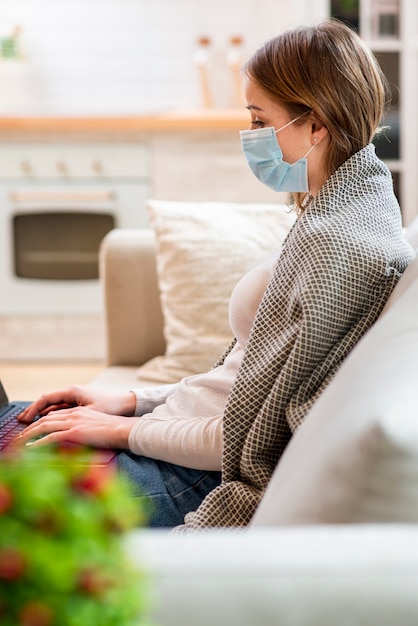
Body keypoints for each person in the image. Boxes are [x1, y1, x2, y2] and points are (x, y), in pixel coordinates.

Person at [17, 19, 415, 530]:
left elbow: (252, 437)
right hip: (163, 434)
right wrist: (135, 402)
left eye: (257, 119)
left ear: (315, 124)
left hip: (183, 471)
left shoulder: (337, 247)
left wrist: (118, 431)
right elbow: (241, 383)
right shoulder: (336, 210)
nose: (249, 137)